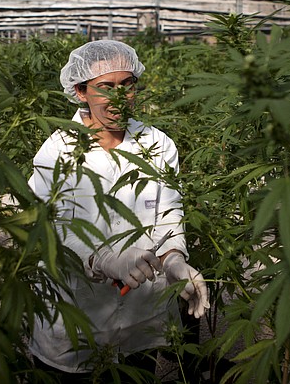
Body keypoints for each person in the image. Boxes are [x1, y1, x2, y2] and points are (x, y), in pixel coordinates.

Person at [28, 39, 209, 379]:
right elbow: (49, 228)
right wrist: (103, 258)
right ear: (81, 91)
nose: (118, 98)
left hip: (139, 320)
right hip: (76, 319)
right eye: (105, 87)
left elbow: (168, 213)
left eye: (127, 85)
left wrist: (174, 260)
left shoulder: (157, 144)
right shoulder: (57, 150)